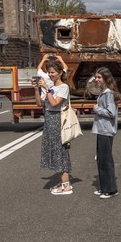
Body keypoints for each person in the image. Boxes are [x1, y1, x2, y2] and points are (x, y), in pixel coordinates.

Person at [32, 60, 73, 195]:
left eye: (53, 73)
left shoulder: (63, 87)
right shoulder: (51, 87)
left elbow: (55, 103)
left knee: (60, 151)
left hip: (57, 120)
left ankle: (66, 185)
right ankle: (63, 183)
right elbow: (39, 104)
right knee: (55, 150)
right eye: (49, 72)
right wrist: (37, 89)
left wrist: (47, 89)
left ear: (60, 73)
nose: (50, 75)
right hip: (49, 120)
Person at [92, 67, 121, 199]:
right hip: (102, 129)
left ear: (106, 78)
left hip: (106, 130)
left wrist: (97, 109)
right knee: (101, 159)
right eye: (96, 77)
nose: (96, 79)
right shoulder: (104, 92)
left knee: (106, 160)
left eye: (99, 77)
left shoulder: (108, 94)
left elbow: (111, 113)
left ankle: (111, 189)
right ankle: (104, 187)